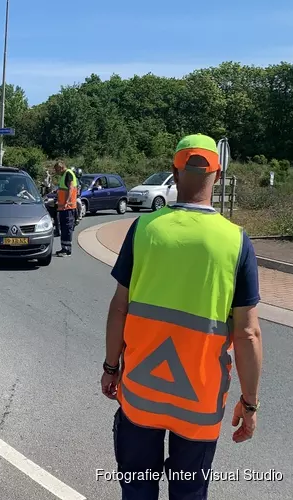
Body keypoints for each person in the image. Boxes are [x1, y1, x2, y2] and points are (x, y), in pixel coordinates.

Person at [100, 134, 263, 500]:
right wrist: (249, 404)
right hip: (199, 406)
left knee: (138, 492)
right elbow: (248, 335)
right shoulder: (236, 242)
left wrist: (112, 368)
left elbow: (118, 309)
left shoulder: (144, 229)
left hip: (140, 396)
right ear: (217, 176)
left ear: (175, 172)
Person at [53, 160, 77, 256]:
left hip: (68, 206)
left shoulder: (68, 174)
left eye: (57, 170)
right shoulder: (64, 175)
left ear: (61, 167)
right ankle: (63, 248)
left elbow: (70, 188)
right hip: (63, 207)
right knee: (63, 228)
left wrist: (67, 201)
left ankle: (67, 250)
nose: (57, 172)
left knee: (67, 228)